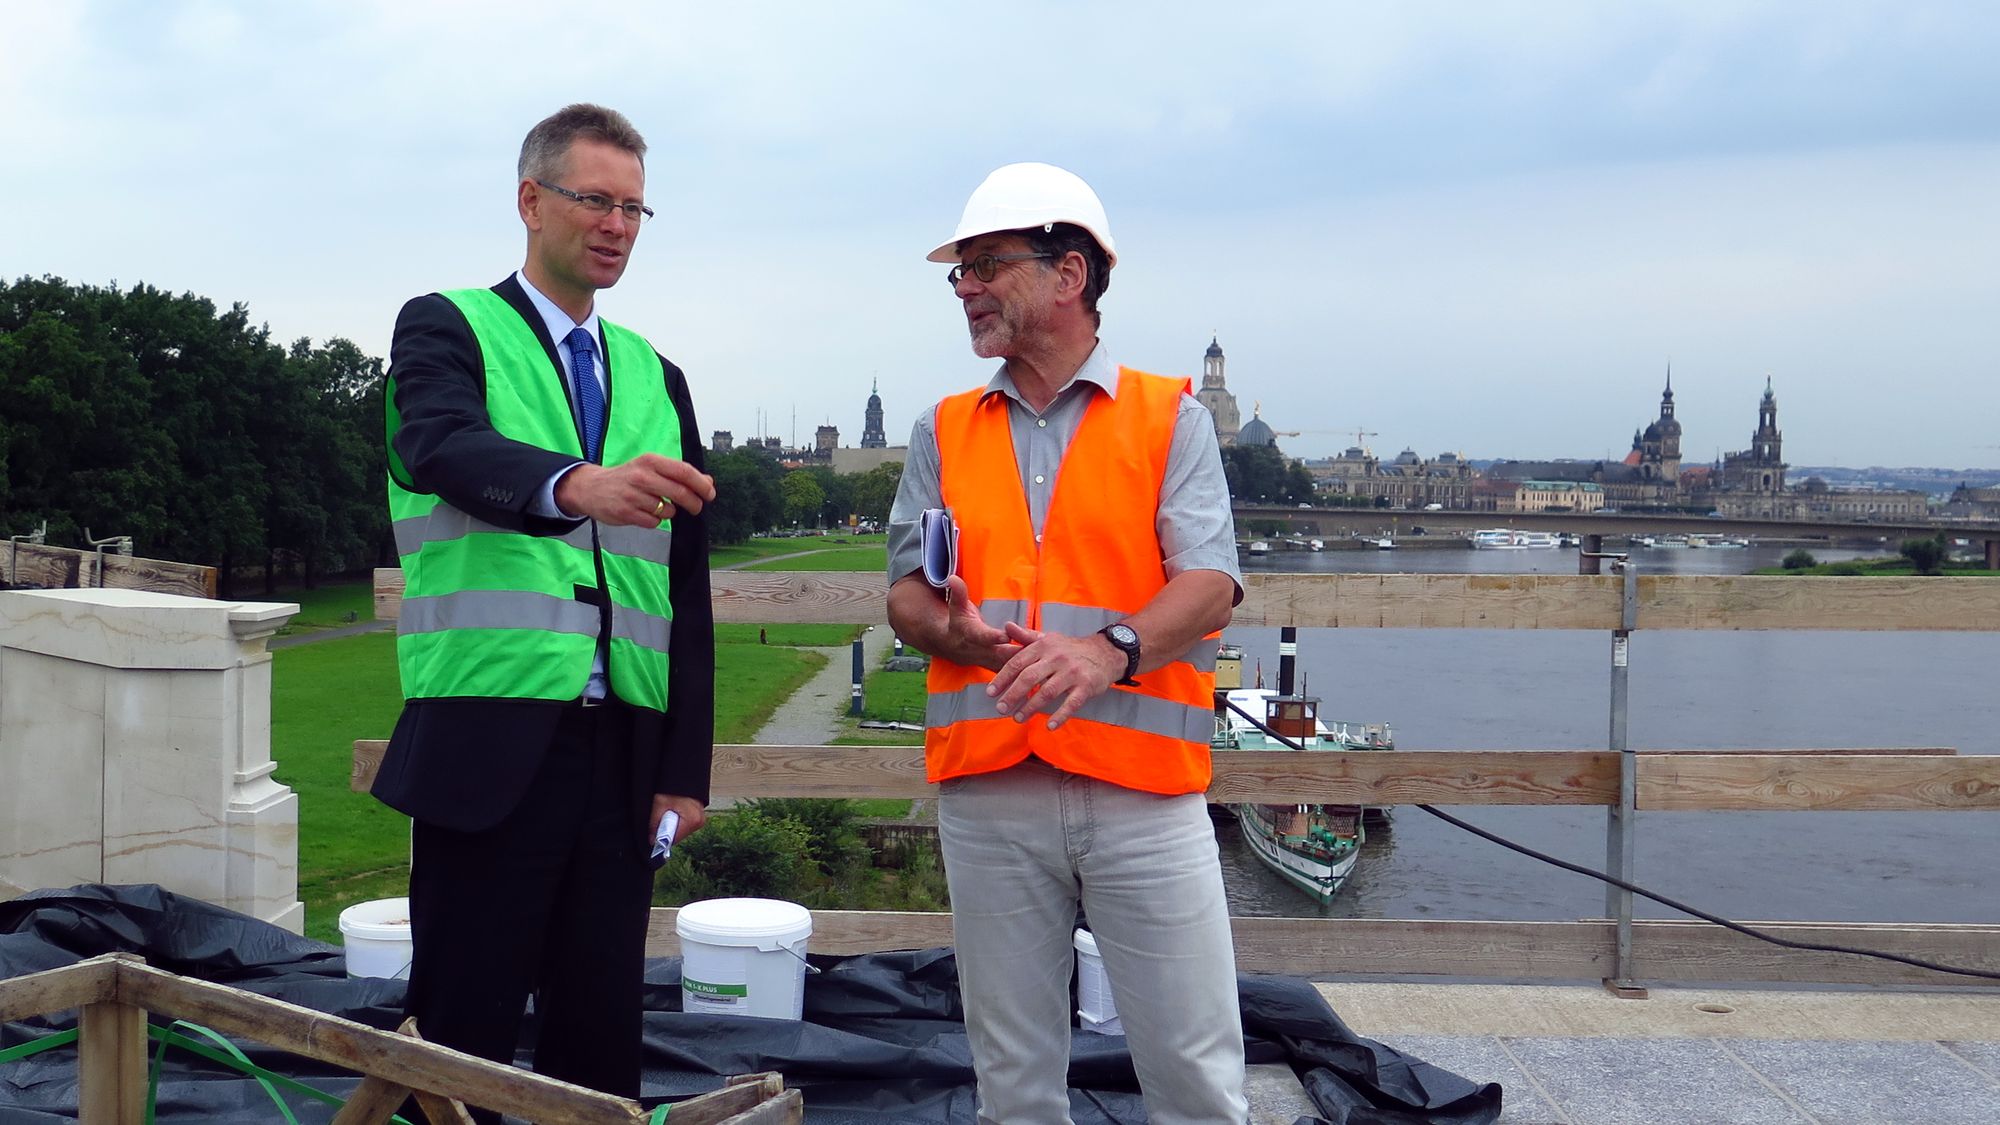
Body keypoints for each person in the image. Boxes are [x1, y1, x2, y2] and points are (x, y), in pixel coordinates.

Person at [885, 163, 1249, 1124]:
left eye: (985, 265)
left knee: (1196, 1076)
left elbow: (1210, 581)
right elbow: (906, 602)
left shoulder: (1170, 417)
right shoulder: (942, 430)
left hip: (1142, 793)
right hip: (991, 789)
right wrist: (951, 633)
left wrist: (1106, 652)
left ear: (1069, 274)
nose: (965, 287)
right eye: (959, 271)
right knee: (1013, 1082)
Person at [373, 103, 716, 1115]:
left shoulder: (660, 376)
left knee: (600, 1037)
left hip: (620, 769)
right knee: (460, 1039)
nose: (615, 225)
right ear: (531, 200)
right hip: (491, 752)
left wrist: (682, 771)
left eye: (634, 208)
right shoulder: (445, 327)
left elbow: (683, 591)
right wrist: (574, 483)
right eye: (593, 200)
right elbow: (436, 444)